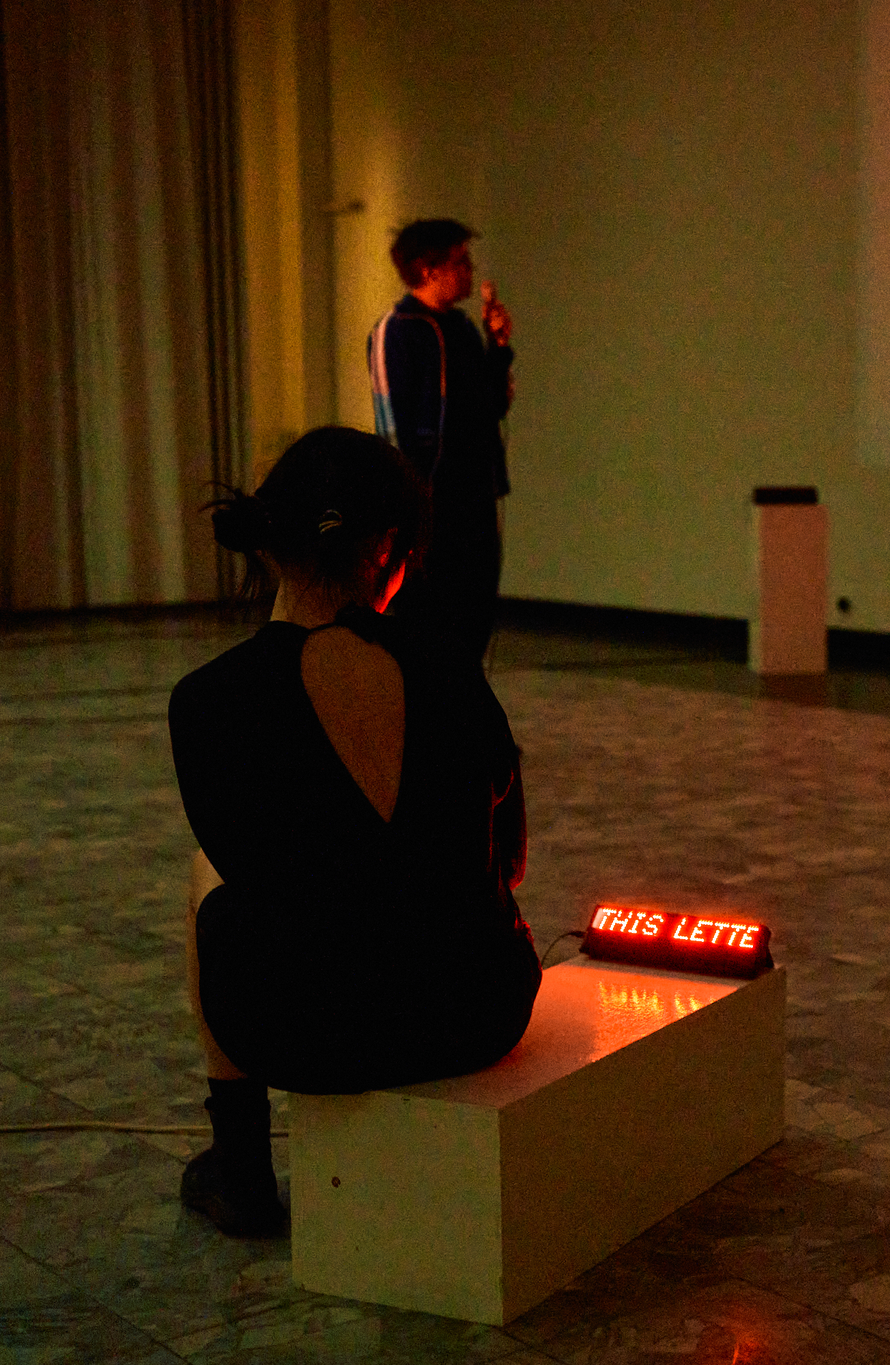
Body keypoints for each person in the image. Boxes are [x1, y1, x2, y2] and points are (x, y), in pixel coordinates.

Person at [170, 426, 541, 1236]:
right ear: (390, 553)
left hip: (314, 1036)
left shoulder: (209, 701)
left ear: (271, 547)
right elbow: (508, 859)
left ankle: (242, 1170)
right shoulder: (451, 669)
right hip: (480, 1011)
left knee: (207, 879)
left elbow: (253, 875)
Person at [367, 218, 514, 661]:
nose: (469, 269)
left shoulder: (463, 329)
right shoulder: (397, 329)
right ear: (428, 269)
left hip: (475, 497)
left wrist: (499, 347)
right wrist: (411, 500)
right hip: (430, 503)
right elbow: (393, 422)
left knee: (474, 613)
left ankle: (463, 717)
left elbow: (491, 408)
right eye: (460, 260)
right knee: (428, 620)